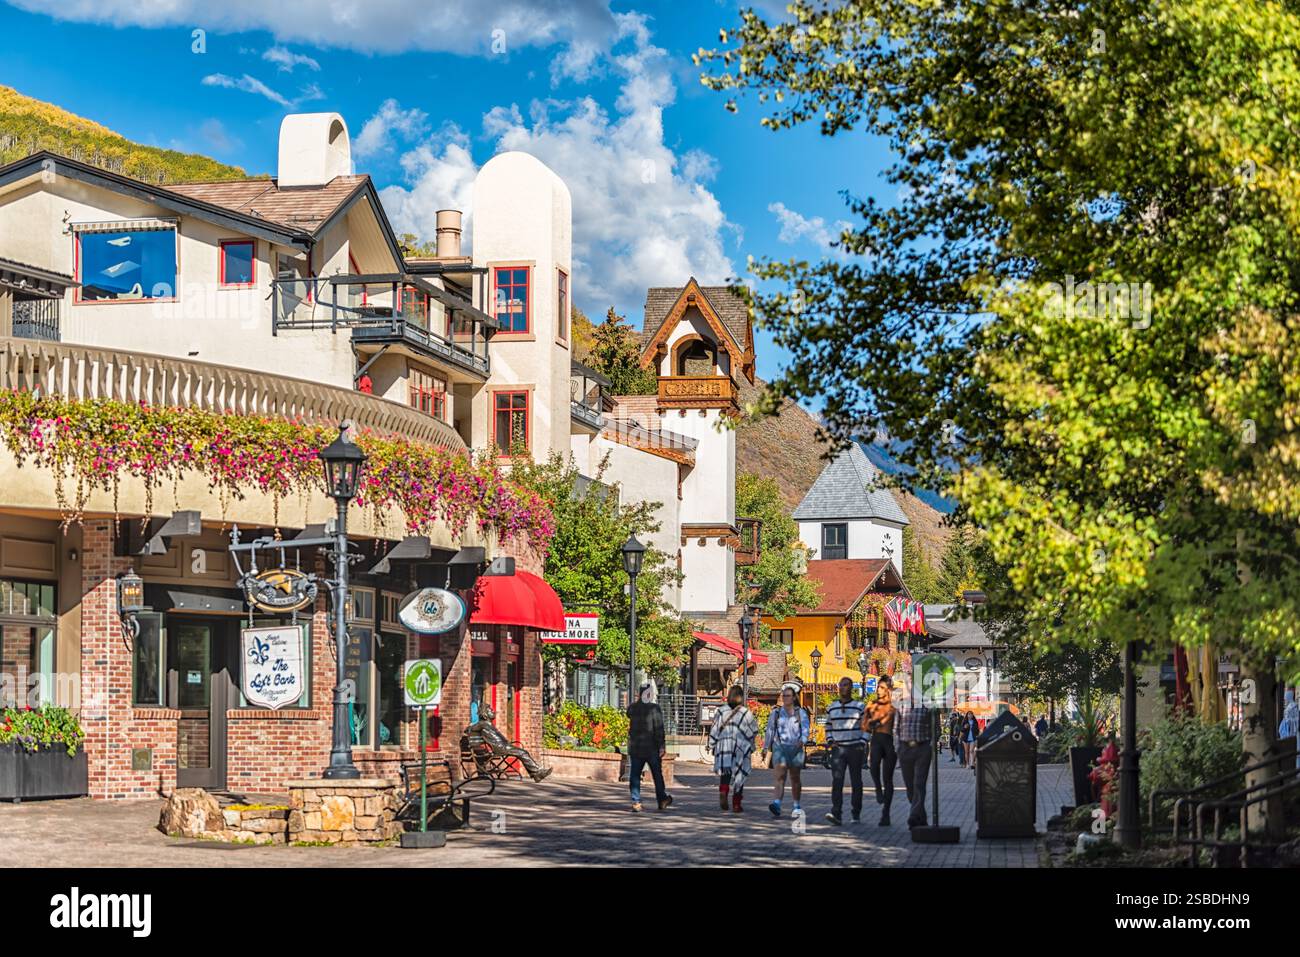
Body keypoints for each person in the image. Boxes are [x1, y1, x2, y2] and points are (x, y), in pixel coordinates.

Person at [464, 704, 553, 782]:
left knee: (522, 752)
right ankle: (538, 772)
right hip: (500, 747)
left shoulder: (486, 724)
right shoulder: (483, 724)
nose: (493, 711)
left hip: (503, 746)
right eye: (490, 710)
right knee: (523, 752)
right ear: (484, 714)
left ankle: (536, 774)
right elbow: (470, 728)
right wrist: (470, 728)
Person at [707, 684, 760, 812]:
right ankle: (736, 803)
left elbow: (714, 729)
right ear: (741, 697)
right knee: (739, 775)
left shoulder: (721, 711)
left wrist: (711, 744)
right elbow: (754, 730)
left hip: (724, 745)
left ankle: (724, 792)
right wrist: (751, 745)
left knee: (726, 773)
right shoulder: (745, 712)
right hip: (740, 747)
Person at [824, 676, 868, 825]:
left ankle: (856, 812)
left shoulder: (859, 706)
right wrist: (830, 741)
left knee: (856, 781)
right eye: (841, 685)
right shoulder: (832, 707)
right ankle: (836, 812)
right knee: (837, 781)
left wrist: (862, 742)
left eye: (846, 685)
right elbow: (828, 726)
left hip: (855, 747)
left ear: (851, 688)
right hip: (838, 748)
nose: (843, 688)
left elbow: (867, 726)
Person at [763, 682, 810, 818]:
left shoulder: (800, 713)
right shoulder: (776, 713)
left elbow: (805, 729)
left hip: (795, 748)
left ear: (794, 697)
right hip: (780, 747)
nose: (785, 698)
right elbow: (770, 730)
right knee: (780, 776)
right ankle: (777, 803)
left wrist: (803, 741)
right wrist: (766, 747)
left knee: (795, 778)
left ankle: (796, 804)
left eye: (788, 696)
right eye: (784, 696)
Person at [626, 683, 672, 812]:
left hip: (636, 748)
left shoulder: (633, 708)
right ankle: (662, 799)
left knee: (634, 775)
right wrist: (662, 746)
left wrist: (638, 701)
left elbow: (628, 712)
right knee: (657, 775)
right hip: (651, 748)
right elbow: (659, 729)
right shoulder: (654, 708)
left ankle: (636, 801)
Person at [864, 674, 898, 826]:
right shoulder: (871, 705)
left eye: (883, 687)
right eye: (878, 687)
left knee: (888, 779)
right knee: (873, 766)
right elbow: (864, 724)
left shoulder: (893, 707)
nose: (879, 690)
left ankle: (886, 813)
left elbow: (888, 719)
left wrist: (875, 722)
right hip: (876, 739)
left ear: (889, 690)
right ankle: (878, 788)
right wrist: (869, 724)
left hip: (889, 741)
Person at [897, 695, 934, 828]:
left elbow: (935, 728)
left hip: (922, 748)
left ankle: (913, 815)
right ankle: (921, 817)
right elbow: (897, 728)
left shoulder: (928, 707)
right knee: (910, 786)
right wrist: (899, 748)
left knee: (919, 783)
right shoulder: (900, 706)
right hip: (905, 748)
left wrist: (930, 745)